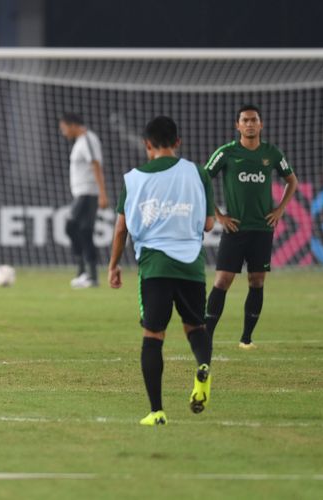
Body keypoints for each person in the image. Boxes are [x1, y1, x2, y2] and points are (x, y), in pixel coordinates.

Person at [108, 116, 215, 426]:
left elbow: (120, 230)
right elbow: (209, 224)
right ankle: (203, 366)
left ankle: (156, 411)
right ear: (178, 142)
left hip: (154, 266)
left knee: (153, 335)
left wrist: (114, 265)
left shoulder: (133, 179)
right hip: (191, 264)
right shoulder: (198, 173)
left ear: (147, 145)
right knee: (195, 326)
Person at [204, 105, 298, 349]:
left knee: (257, 281)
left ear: (261, 124)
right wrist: (219, 215)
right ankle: (206, 336)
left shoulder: (272, 153)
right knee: (223, 280)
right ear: (237, 126)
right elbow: (203, 179)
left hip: (262, 229)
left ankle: (246, 338)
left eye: (253, 120)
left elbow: (291, 180)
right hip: (234, 229)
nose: (249, 124)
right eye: (245, 120)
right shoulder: (226, 153)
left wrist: (280, 209)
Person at [59, 112, 109, 288]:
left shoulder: (88, 139)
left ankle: (85, 273)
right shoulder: (81, 142)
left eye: (64, 128)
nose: (64, 132)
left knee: (71, 226)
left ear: (72, 125)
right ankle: (89, 275)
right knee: (84, 231)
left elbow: (95, 164)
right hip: (83, 193)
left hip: (88, 193)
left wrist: (102, 193)